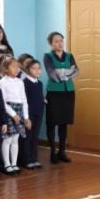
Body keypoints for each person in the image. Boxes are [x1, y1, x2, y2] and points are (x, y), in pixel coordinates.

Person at [44, 31, 79, 163]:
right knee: (52, 122)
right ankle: (53, 151)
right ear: (51, 44)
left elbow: (76, 71)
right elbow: (51, 72)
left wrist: (62, 72)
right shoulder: (48, 56)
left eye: (61, 41)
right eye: (56, 41)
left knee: (64, 122)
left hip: (68, 91)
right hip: (54, 92)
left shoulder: (69, 55)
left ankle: (62, 151)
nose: (59, 43)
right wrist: (65, 73)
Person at [0, 57, 31, 174]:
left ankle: (14, 163)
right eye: (13, 67)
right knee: (7, 139)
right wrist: (13, 114)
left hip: (20, 110)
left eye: (18, 67)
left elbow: (24, 100)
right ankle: (7, 164)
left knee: (15, 139)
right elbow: (2, 102)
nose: (17, 69)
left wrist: (26, 117)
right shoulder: (2, 82)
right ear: (5, 69)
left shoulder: (20, 82)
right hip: (9, 111)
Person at [22, 59, 45, 169]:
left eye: (39, 68)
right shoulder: (25, 83)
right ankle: (27, 160)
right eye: (34, 68)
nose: (37, 71)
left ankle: (34, 159)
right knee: (28, 136)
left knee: (35, 136)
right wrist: (26, 117)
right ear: (27, 70)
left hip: (39, 113)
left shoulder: (39, 83)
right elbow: (24, 100)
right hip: (29, 114)